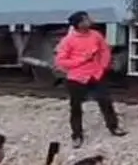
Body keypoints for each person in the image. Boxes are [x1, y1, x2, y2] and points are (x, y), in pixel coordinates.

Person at [54, 11, 126, 148]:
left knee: (106, 101)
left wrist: (103, 66)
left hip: (96, 75)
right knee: (76, 107)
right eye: (86, 19)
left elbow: (105, 50)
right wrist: (82, 60)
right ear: (79, 24)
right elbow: (61, 61)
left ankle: (113, 127)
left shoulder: (96, 35)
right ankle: (77, 135)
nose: (90, 21)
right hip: (77, 78)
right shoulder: (68, 40)